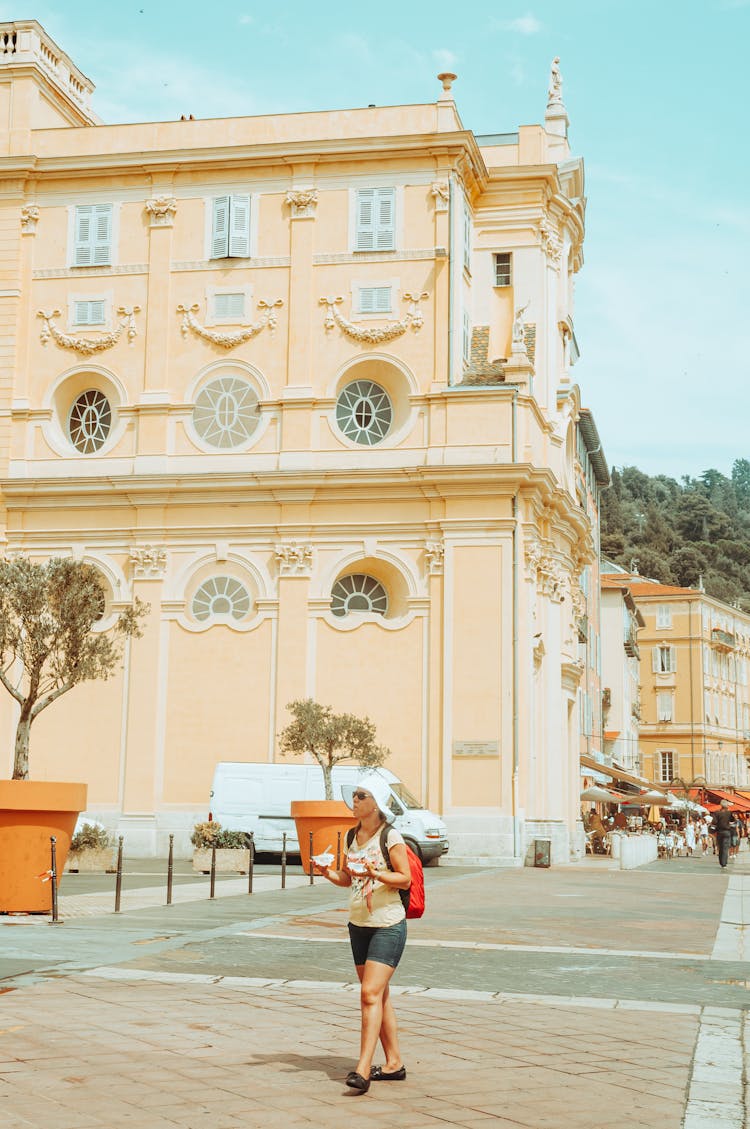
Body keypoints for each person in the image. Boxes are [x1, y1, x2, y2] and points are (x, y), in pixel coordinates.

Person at [312, 771, 411, 1094]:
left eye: (360, 796)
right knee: (378, 995)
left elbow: (404, 879)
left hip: (388, 924)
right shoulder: (351, 836)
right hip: (359, 925)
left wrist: (377, 873)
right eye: (354, 796)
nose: (354, 801)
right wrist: (327, 872)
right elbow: (347, 878)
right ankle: (394, 1063)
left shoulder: (390, 837)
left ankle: (362, 1069)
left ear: (376, 804)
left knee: (368, 994)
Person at [711, 799, 735, 870]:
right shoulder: (729, 813)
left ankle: (721, 862)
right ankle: (724, 864)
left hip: (719, 832)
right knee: (725, 848)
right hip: (727, 832)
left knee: (720, 847)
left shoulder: (716, 813)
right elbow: (732, 820)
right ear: (726, 805)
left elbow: (714, 822)